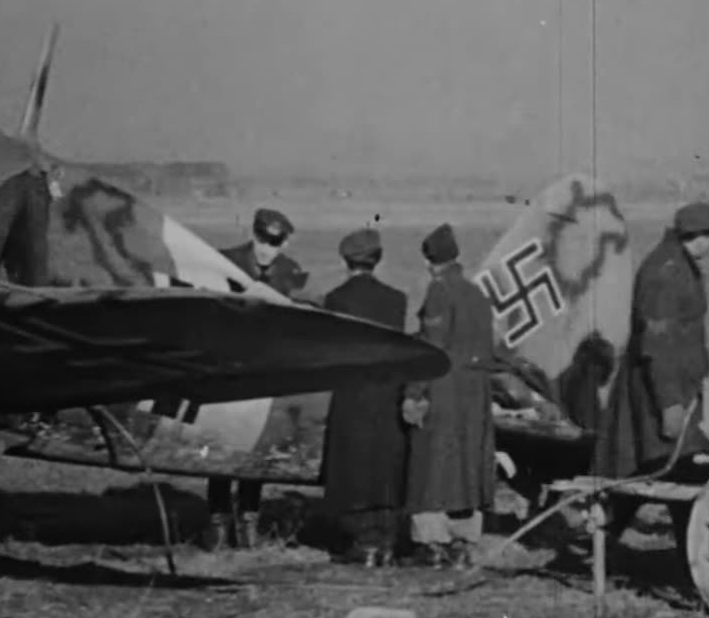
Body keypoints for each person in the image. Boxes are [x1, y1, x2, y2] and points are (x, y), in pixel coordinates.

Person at [590, 198, 709, 547]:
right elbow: (657, 346)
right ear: (685, 236)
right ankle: (603, 544)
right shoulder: (665, 273)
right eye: (700, 235)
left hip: (678, 387)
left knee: (668, 472)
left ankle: (688, 557)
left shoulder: (680, 264)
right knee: (654, 471)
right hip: (658, 393)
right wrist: (669, 405)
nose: (706, 242)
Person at [206, 207, 309, 550]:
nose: (267, 249)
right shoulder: (224, 262)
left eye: (275, 243)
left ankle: (248, 520)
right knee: (222, 448)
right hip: (229, 370)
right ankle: (218, 524)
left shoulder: (290, 272)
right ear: (253, 235)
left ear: (285, 243)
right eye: (263, 240)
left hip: (266, 372)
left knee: (257, 447)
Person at [401, 223, 497, 570]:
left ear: (431, 261)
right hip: (474, 396)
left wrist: (413, 393)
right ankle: (463, 543)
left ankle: (431, 544)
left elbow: (431, 347)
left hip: (443, 391)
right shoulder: (477, 294)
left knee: (432, 469)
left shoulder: (438, 292)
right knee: (467, 469)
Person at [319, 227, 408, 568]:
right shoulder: (397, 299)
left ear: (346, 261)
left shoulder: (337, 300)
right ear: (378, 259)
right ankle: (384, 541)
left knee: (353, 468)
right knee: (384, 466)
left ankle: (362, 543)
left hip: (352, 395)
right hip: (387, 394)